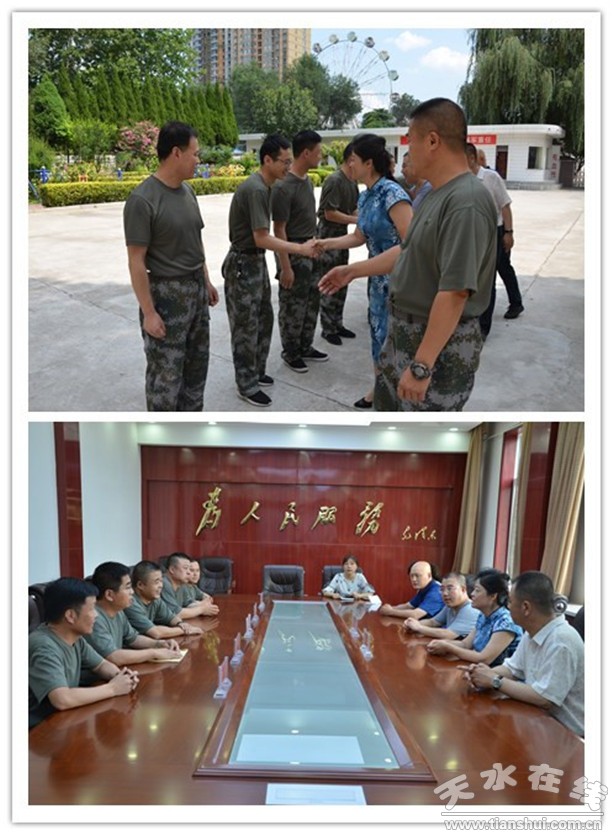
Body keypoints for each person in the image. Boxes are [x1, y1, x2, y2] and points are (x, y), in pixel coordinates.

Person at [319, 98, 497, 412]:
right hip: (403, 334)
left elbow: (455, 291)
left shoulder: (466, 201)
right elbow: (408, 250)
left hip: (438, 346)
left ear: (433, 141)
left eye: (410, 140)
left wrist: (422, 365)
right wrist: (353, 271)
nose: (406, 151)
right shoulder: (436, 194)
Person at [123, 121, 219, 412]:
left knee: (196, 370)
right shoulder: (143, 200)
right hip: (166, 297)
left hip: (196, 291)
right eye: (195, 153)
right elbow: (136, 261)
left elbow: (195, 240)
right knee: (165, 378)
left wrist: (206, 280)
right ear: (176, 153)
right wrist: (149, 313)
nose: (198, 160)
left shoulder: (188, 193)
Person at [222, 133, 318, 407]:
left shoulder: (266, 187)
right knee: (246, 327)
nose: (288, 167)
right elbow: (262, 237)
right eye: (284, 162)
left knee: (263, 320)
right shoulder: (255, 189)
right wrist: (298, 249)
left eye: (289, 161)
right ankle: (246, 384)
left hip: (255, 262)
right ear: (267, 160)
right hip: (243, 264)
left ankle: (256, 372)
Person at [317, 134, 412, 409]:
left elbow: (411, 245)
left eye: (353, 160)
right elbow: (359, 236)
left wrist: (353, 270)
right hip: (376, 279)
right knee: (378, 335)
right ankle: (380, 387)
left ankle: (399, 394)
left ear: (369, 163)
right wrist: (326, 243)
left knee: (398, 339)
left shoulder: (393, 194)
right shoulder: (366, 195)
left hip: (399, 280)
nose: (350, 165)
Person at [462, 571, 584, 737]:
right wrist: (480, 674)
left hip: (567, 734)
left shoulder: (561, 641)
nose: (507, 606)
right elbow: (512, 669)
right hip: (537, 720)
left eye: (510, 601)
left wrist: (494, 680)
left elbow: (545, 698)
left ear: (526, 607)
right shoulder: (533, 632)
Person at [29, 578, 139, 728]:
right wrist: (113, 688)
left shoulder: (75, 638)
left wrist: (121, 676)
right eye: (92, 609)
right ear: (70, 616)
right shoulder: (43, 645)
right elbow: (62, 699)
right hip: (38, 729)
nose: (96, 615)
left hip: (66, 718)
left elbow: (101, 665)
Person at [272, 130, 329, 374]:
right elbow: (279, 229)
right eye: (318, 152)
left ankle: (306, 345)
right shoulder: (283, 187)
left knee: (311, 302)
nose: (321, 156)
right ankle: (291, 351)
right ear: (306, 153)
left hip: (311, 249)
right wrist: (285, 267)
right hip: (293, 252)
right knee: (293, 306)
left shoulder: (307, 181)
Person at [466, 142, 524, 336]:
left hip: (496, 232)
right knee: (487, 274)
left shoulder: (491, 178)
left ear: (472, 158)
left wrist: (509, 232)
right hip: (475, 233)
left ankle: (484, 326)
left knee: (492, 275)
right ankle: (512, 304)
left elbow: (505, 206)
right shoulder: (463, 179)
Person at [84, 562, 183, 665]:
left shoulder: (118, 611)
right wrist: (153, 653)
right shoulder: (94, 618)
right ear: (109, 595)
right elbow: (114, 657)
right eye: (127, 587)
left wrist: (159, 644)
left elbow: (133, 639)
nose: (132, 592)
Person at [427, 568, 522, 666]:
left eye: (477, 590)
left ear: (493, 596)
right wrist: (441, 643)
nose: (472, 594)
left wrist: (448, 647)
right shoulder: (483, 615)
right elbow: (465, 644)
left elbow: (484, 658)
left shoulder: (506, 622)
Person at [316, 142, 360, 346]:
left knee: (342, 279)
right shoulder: (335, 180)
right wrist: (356, 220)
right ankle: (328, 328)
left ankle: (337, 323)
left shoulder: (352, 182)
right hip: (328, 234)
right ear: (351, 160)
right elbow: (329, 213)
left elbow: (353, 209)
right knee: (330, 280)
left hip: (342, 236)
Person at [125, 561, 203, 638]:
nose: (161, 586)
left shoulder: (155, 599)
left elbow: (171, 617)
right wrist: (185, 630)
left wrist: (180, 623)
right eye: (156, 582)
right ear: (140, 585)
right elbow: (156, 633)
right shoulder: (130, 603)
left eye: (161, 581)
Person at [403, 571, 479, 638]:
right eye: (442, 589)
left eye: (449, 588)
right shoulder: (450, 606)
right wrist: (412, 624)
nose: (445, 593)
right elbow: (433, 622)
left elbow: (448, 634)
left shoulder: (470, 609)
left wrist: (419, 628)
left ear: (463, 589)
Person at [161, 552, 219, 619]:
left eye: (189, 569)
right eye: (185, 568)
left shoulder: (180, 585)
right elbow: (176, 614)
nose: (189, 572)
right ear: (172, 570)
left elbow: (188, 605)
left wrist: (204, 605)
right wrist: (202, 609)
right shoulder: (163, 584)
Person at [379, 560, 443, 620]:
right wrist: (389, 608)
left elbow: (415, 614)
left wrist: (390, 611)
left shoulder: (436, 592)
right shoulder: (424, 588)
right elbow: (408, 606)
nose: (414, 579)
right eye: (411, 576)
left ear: (429, 575)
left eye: (417, 576)